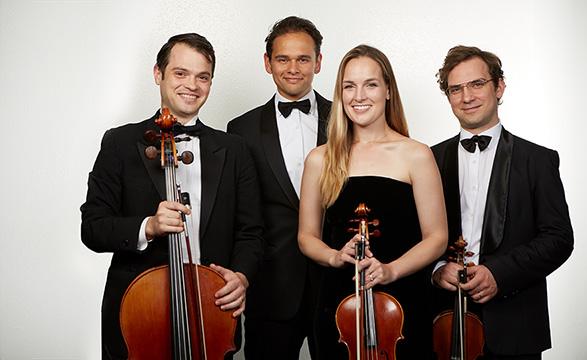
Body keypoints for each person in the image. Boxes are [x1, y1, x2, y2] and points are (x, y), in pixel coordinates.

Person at [80, 33, 263, 359]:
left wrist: (242, 276)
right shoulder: (119, 143)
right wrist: (148, 226)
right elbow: (93, 227)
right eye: (180, 73)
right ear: (158, 74)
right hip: (138, 313)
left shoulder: (234, 149)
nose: (192, 85)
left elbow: (251, 232)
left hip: (212, 311)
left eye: (202, 77)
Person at [298, 44, 448, 359]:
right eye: (349, 86)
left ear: (388, 90)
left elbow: (437, 238)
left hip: (403, 304)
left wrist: (391, 271)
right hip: (339, 305)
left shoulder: (416, 154)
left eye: (371, 84)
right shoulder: (320, 158)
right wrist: (335, 257)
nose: (359, 95)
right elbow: (306, 236)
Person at [430, 45, 574, 359]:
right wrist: (437, 269)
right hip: (442, 323)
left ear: (499, 86)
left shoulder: (537, 160)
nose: (466, 97)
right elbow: (413, 233)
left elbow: (559, 238)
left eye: (477, 84)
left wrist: (499, 273)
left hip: (515, 324)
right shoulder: (427, 159)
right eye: (456, 89)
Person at [226, 16, 330, 360]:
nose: (293, 68)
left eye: (303, 59)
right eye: (283, 59)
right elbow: (238, 214)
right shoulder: (240, 129)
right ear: (267, 63)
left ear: (318, 61)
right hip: (271, 286)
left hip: (338, 283)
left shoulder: (347, 118)